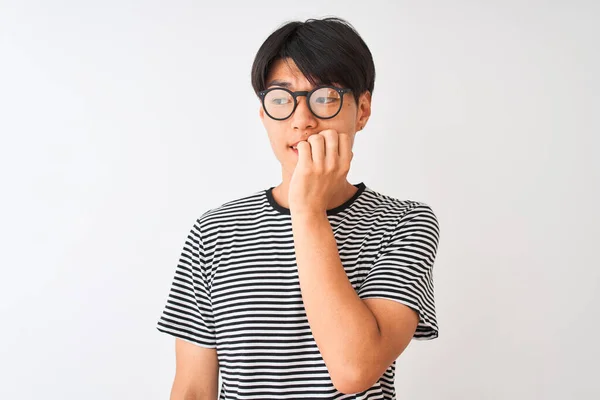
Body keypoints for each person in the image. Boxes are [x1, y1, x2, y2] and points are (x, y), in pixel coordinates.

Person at [156, 16, 441, 400]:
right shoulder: (215, 231)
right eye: (281, 100)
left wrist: (307, 210)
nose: (302, 120)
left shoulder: (404, 223)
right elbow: (192, 389)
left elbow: (354, 370)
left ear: (363, 110)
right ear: (263, 114)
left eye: (325, 97)